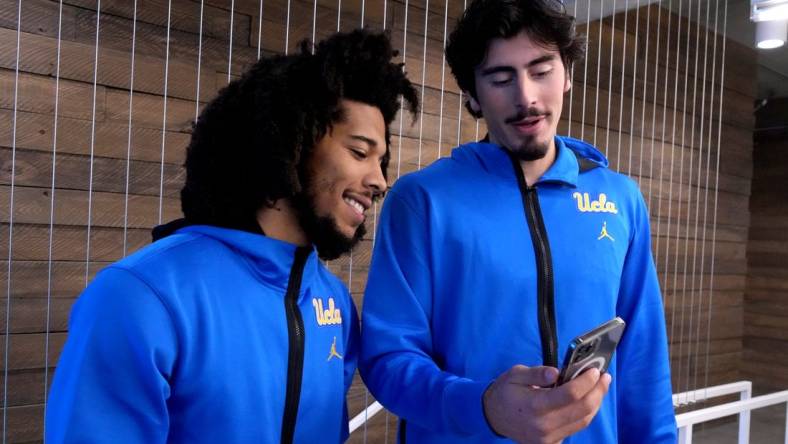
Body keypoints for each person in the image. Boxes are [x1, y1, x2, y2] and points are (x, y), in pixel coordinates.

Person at [46, 29, 418, 444]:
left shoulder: (334, 304)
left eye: (381, 160)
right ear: (290, 141)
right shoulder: (140, 297)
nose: (380, 181)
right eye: (360, 152)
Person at [359, 0, 677, 442]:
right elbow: (387, 359)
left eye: (542, 70)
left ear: (567, 74)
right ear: (471, 93)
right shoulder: (423, 201)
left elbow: (643, 360)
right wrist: (483, 407)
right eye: (500, 78)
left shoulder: (620, 199)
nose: (526, 97)